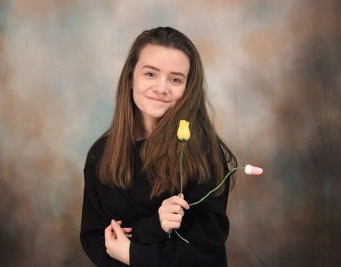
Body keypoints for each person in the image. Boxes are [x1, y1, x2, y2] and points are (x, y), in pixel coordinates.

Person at [80, 26, 237, 267]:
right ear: (131, 77)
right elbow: (96, 238)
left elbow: (204, 244)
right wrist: (148, 231)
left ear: (188, 89)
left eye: (175, 79)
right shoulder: (100, 155)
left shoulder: (203, 151)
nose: (161, 88)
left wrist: (134, 255)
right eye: (150, 74)